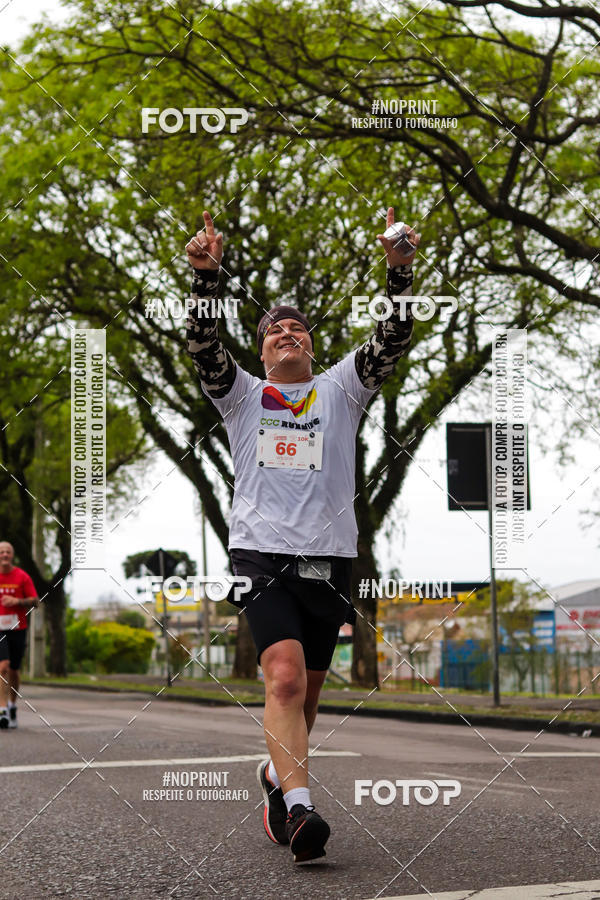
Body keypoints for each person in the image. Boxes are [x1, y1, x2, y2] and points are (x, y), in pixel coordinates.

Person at [185, 208, 419, 863]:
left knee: (308, 698)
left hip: (329, 560)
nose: (286, 332)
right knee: (283, 680)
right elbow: (203, 344)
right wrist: (207, 278)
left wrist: (399, 272)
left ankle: (275, 776)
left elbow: (392, 339)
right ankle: (300, 812)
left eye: (297, 328)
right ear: (260, 353)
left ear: (311, 348)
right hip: (258, 554)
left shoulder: (342, 390)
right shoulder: (241, 396)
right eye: (273, 330)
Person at [0, 541, 39, 729]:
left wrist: (17, 600)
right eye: (1, 552)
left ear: (12, 555)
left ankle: (12, 705)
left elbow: (36, 601)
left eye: (8, 551)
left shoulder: (22, 576)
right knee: (3, 666)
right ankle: (2, 710)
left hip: (18, 628)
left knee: (14, 670)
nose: (4, 554)